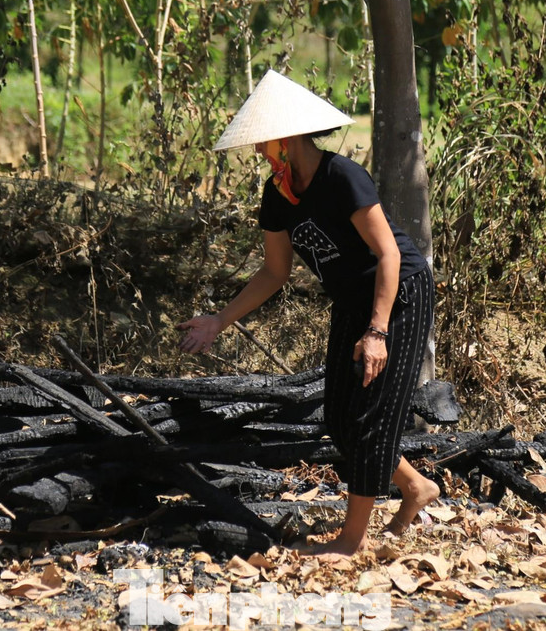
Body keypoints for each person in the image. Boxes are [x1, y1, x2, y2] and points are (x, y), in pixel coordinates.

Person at [179, 70, 439, 557]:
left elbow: (389, 254)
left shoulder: (343, 178)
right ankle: (415, 487)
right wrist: (218, 320)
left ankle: (350, 541)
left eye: (263, 142)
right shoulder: (277, 194)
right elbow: (273, 272)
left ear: (287, 137)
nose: (260, 152)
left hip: (399, 293)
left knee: (369, 416)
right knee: (340, 419)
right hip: (352, 300)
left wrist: (377, 330)